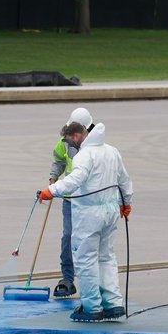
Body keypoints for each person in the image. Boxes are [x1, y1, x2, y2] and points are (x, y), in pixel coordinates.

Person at [39, 112, 134, 322]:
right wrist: (126, 203)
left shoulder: (84, 155)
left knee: (86, 259)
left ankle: (92, 307)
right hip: (110, 212)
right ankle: (113, 303)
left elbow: (75, 179)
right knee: (107, 257)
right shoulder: (112, 151)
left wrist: (51, 190)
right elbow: (124, 181)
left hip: (89, 214)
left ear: (76, 135)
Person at [49, 110, 89, 299]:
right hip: (69, 200)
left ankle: (92, 282)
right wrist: (54, 176)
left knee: (88, 241)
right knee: (68, 237)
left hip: (89, 201)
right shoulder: (64, 143)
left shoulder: (93, 147)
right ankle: (67, 278)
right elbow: (58, 160)